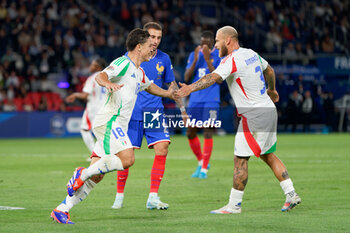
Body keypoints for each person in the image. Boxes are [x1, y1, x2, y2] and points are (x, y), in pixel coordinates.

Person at [50, 28, 176, 224]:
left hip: (113, 124)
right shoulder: (123, 63)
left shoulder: (139, 71)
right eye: (150, 46)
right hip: (110, 121)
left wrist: (170, 94)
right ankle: (81, 173)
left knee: (98, 176)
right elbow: (102, 75)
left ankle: (62, 209)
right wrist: (107, 84)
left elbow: (150, 86)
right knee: (127, 158)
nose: (153, 49)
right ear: (139, 46)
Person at [176, 26, 301, 214]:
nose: (215, 45)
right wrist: (272, 90)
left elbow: (213, 77)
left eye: (217, 41)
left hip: (253, 115)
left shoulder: (231, 60)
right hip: (268, 109)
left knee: (240, 159)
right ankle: (291, 194)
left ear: (228, 40)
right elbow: (270, 71)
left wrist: (189, 89)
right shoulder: (251, 53)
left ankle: (234, 205)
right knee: (268, 155)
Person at [112, 22, 187, 210]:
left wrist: (183, 110)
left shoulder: (164, 59)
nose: (155, 41)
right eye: (152, 37)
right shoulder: (129, 59)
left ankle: (153, 196)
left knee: (162, 148)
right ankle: (119, 196)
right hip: (133, 113)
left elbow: (171, 86)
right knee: (126, 157)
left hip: (154, 112)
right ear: (144, 38)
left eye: (159, 38)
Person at [184, 31, 221, 179]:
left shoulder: (219, 55)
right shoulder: (194, 54)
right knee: (190, 133)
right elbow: (186, 77)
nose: (203, 46)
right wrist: (195, 60)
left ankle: (204, 169)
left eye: (206, 43)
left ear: (213, 43)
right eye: (201, 43)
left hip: (211, 99)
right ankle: (201, 161)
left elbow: (218, 80)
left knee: (207, 131)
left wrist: (207, 58)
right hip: (195, 99)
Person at [65, 58, 107, 153]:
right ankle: (105, 153)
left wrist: (75, 94)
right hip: (105, 107)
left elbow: (85, 95)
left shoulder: (92, 78)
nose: (90, 66)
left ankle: (96, 154)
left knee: (85, 129)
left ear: (97, 67)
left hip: (93, 107)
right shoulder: (108, 76)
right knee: (102, 131)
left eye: (92, 64)